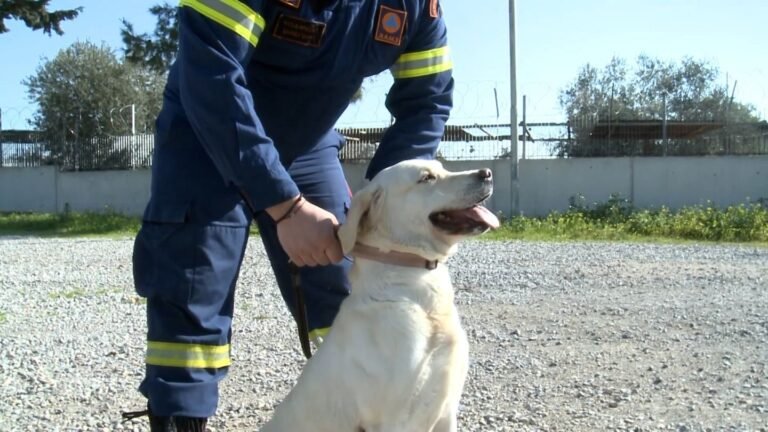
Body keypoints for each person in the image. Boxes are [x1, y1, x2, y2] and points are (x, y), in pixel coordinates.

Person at [126, 0, 453, 430]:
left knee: (349, 288)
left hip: (306, 142)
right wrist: (286, 206)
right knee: (193, 289)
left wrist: (383, 205)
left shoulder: (413, 8)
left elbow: (425, 102)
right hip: (207, 132)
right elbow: (213, 76)